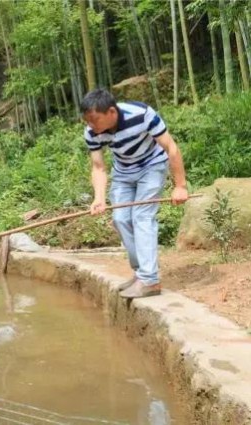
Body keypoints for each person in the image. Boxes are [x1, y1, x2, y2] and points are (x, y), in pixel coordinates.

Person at [81, 89, 188, 299]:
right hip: (123, 173)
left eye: (95, 120)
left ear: (111, 111)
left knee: (142, 215)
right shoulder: (92, 132)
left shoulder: (142, 114)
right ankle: (141, 273)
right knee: (120, 218)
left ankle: (150, 280)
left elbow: (170, 147)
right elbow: (98, 167)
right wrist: (99, 198)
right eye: (88, 121)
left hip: (152, 167)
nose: (92, 126)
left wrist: (180, 186)